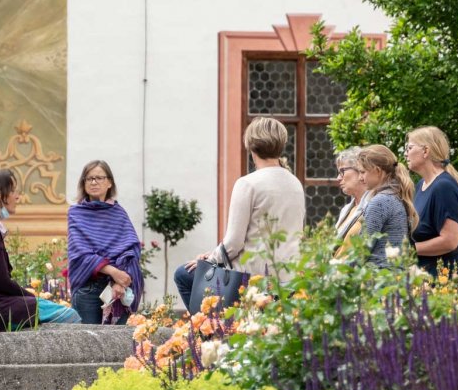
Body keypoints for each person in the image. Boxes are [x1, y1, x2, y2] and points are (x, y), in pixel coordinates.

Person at [176, 117, 307, 310]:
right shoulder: (295, 183)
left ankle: (209, 328)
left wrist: (210, 259)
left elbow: (234, 243)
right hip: (288, 277)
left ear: (251, 147)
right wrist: (215, 254)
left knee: (183, 274)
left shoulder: (248, 184)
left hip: (251, 278)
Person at [0, 169, 82, 331]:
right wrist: (34, 299)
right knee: (70, 316)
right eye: (13, 191)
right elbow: (2, 282)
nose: (17, 197)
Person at [66, 160, 144, 324]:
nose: (94, 182)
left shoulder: (119, 213)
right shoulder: (76, 213)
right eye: (89, 178)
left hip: (118, 289)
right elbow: (79, 253)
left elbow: (131, 250)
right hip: (88, 289)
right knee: (87, 339)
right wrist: (114, 272)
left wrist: (119, 282)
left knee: (116, 340)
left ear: (109, 183)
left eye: (99, 178)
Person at [404, 125, 458, 280]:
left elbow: (450, 241)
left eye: (410, 148)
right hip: (427, 272)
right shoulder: (421, 185)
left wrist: (408, 250)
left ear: (425, 151)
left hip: (446, 275)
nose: (406, 153)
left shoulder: (443, 187)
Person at [355, 144, 417, 266]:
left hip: (379, 274)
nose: (359, 178)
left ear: (378, 171)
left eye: (362, 172)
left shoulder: (380, 202)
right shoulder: (395, 196)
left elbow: (362, 251)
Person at [331, 148, 367, 249]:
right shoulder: (346, 209)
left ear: (360, 170)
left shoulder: (375, 206)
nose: (338, 178)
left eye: (342, 171)